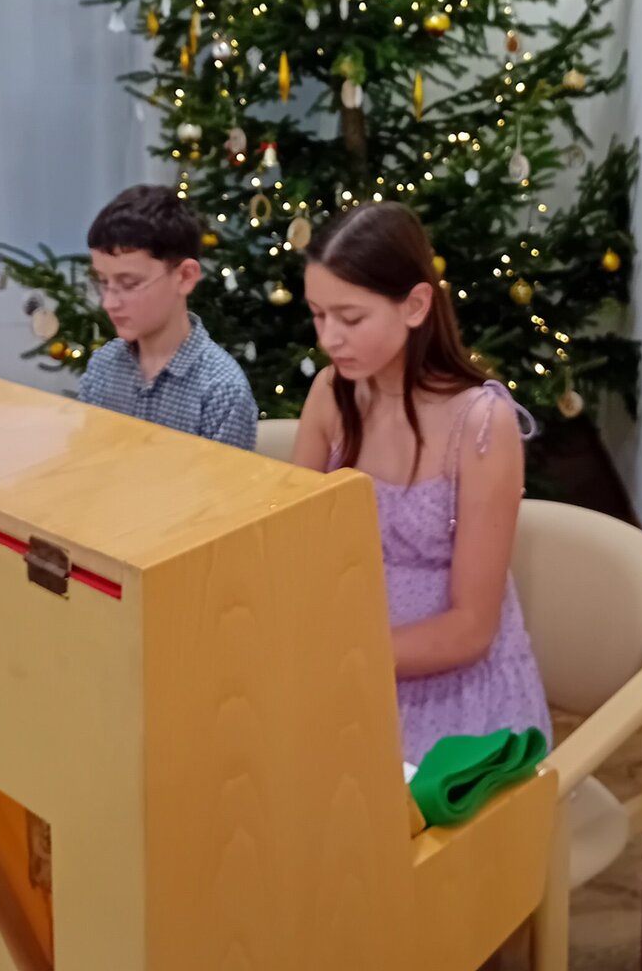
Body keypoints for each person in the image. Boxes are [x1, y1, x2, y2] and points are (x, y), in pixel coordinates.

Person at [293, 201, 549, 763]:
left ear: (414, 305)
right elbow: (292, 542)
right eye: (318, 315)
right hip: (344, 662)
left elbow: (471, 628)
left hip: (451, 693)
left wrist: (344, 655)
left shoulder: (480, 423)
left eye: (350, 319)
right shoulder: (331, 394)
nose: (330, 338)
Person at [77, 184, 256, 450]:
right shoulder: (103, 367)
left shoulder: (222, 390)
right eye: (103, 282)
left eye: (129, 283)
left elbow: (227, 479)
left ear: (184, 277)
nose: (109, 302)